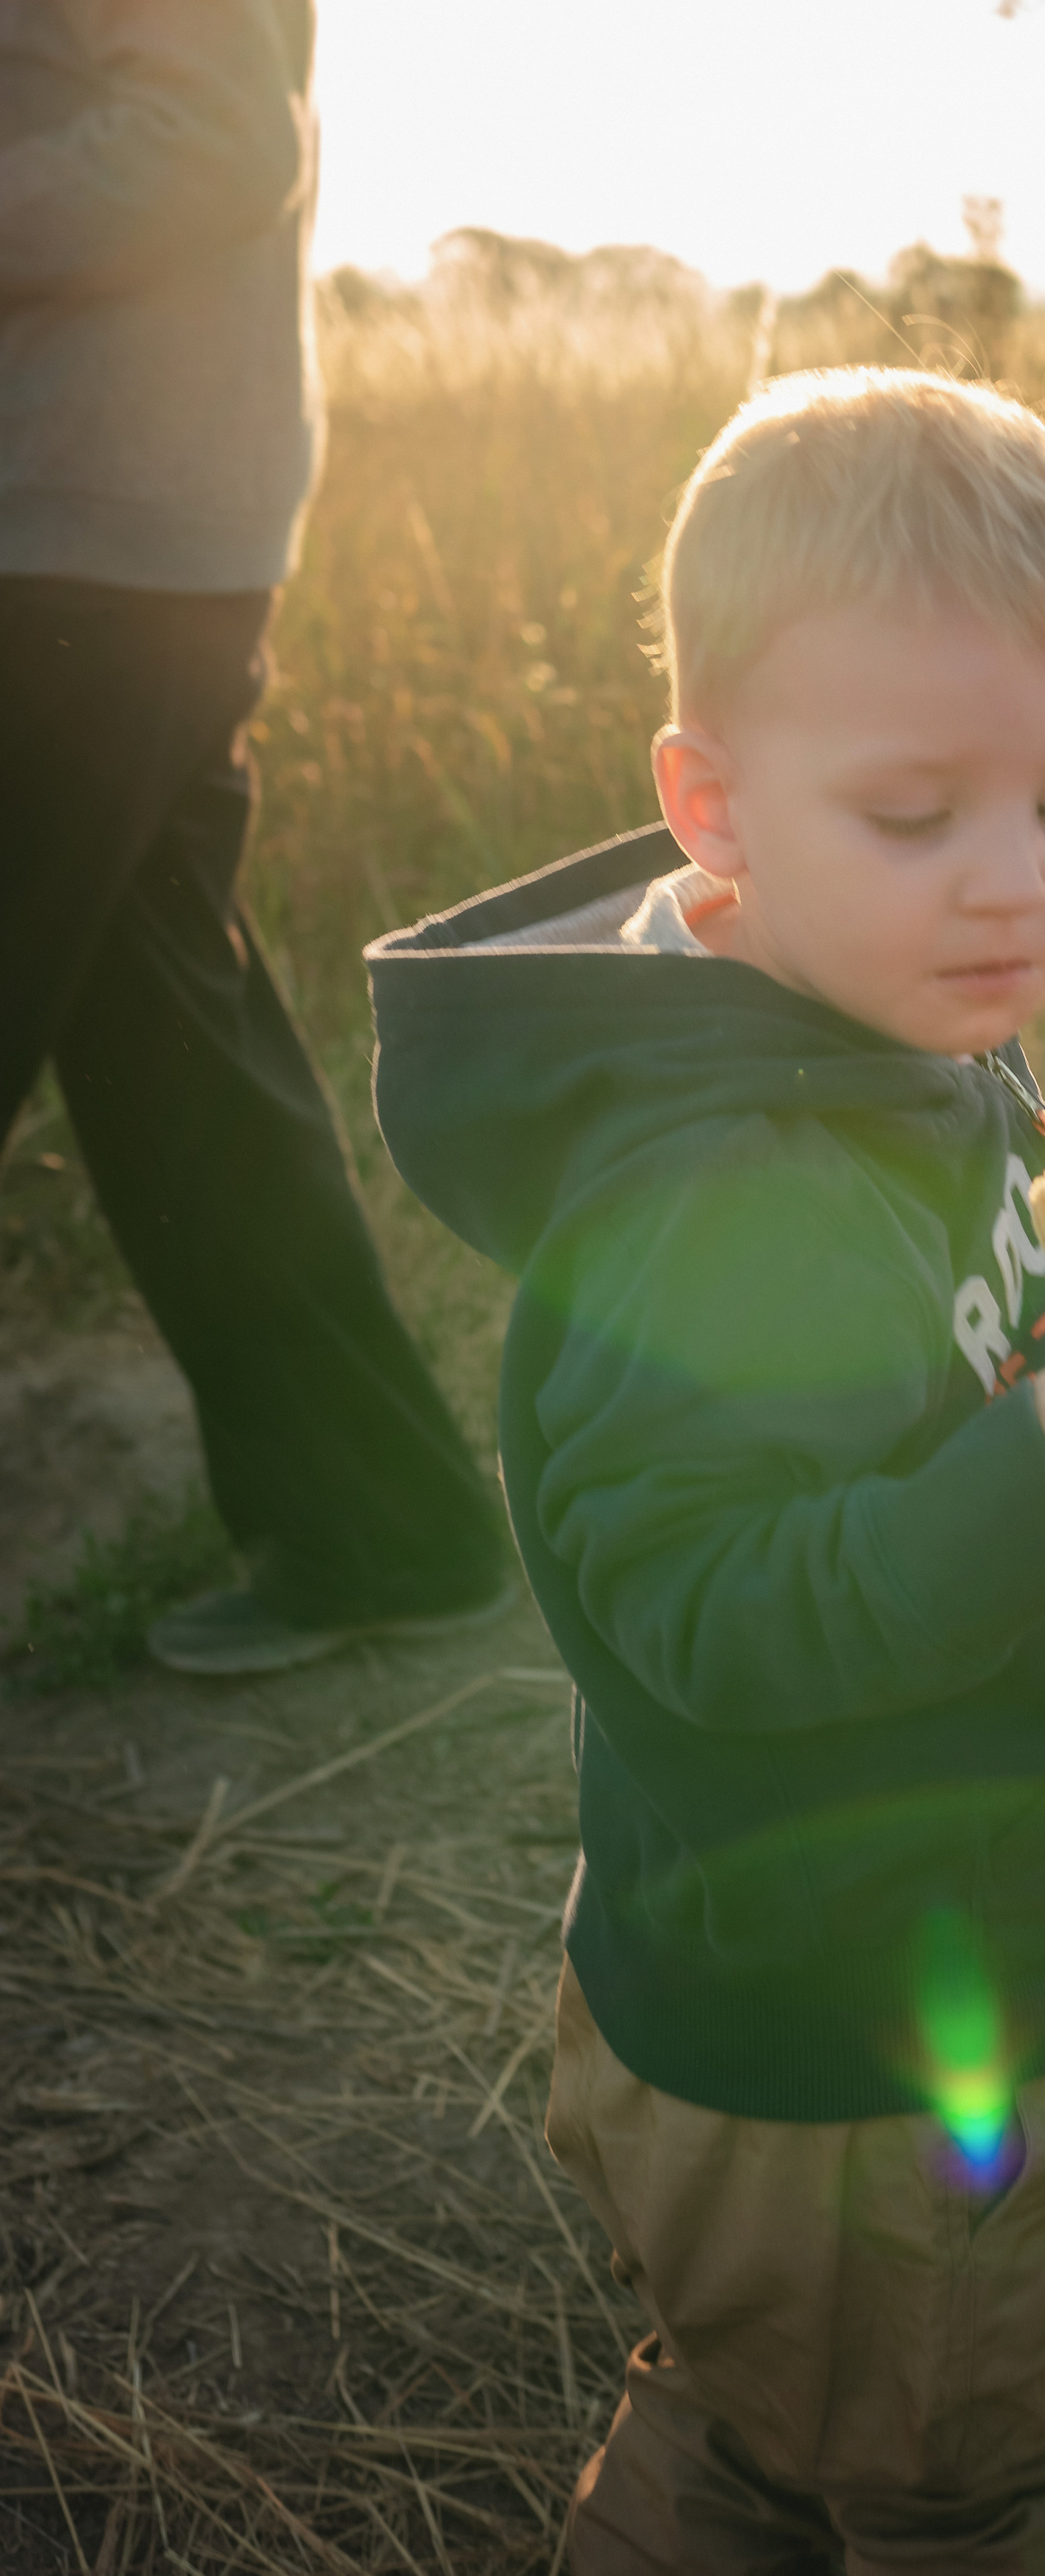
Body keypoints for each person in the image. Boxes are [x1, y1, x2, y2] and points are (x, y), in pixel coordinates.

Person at [368, 370, 1045, 2572]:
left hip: (871, 1961)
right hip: (854, 2045)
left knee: (766, 2424)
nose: (1013, 885)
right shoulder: (726, 1196)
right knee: (973, 2474)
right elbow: (694, 1620)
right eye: (917, 812)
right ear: (714, 806)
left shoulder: (898, 1032)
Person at [0, 0, 508, 1673]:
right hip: (114, 529)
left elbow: (213, 136)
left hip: (79, 538)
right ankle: (386, 1529)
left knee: (169, 1047)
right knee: (173, 1062)